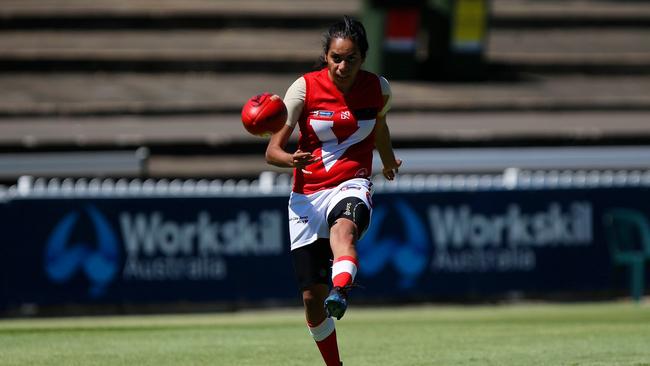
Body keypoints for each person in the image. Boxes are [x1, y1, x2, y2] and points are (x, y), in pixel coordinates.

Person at [265, 15, 401, 366]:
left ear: (363, 58)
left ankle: (341, 291)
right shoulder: (304, 88)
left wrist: (387, 161)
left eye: (350, 59)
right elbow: (272, 151)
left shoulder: (378, 89)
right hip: (307, 196)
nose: (343, 66)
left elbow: (380, 127)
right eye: (336, 58)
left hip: (351, 182)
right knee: (311, 298)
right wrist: (290, 158)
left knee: (346, 230)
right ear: (326, 57)